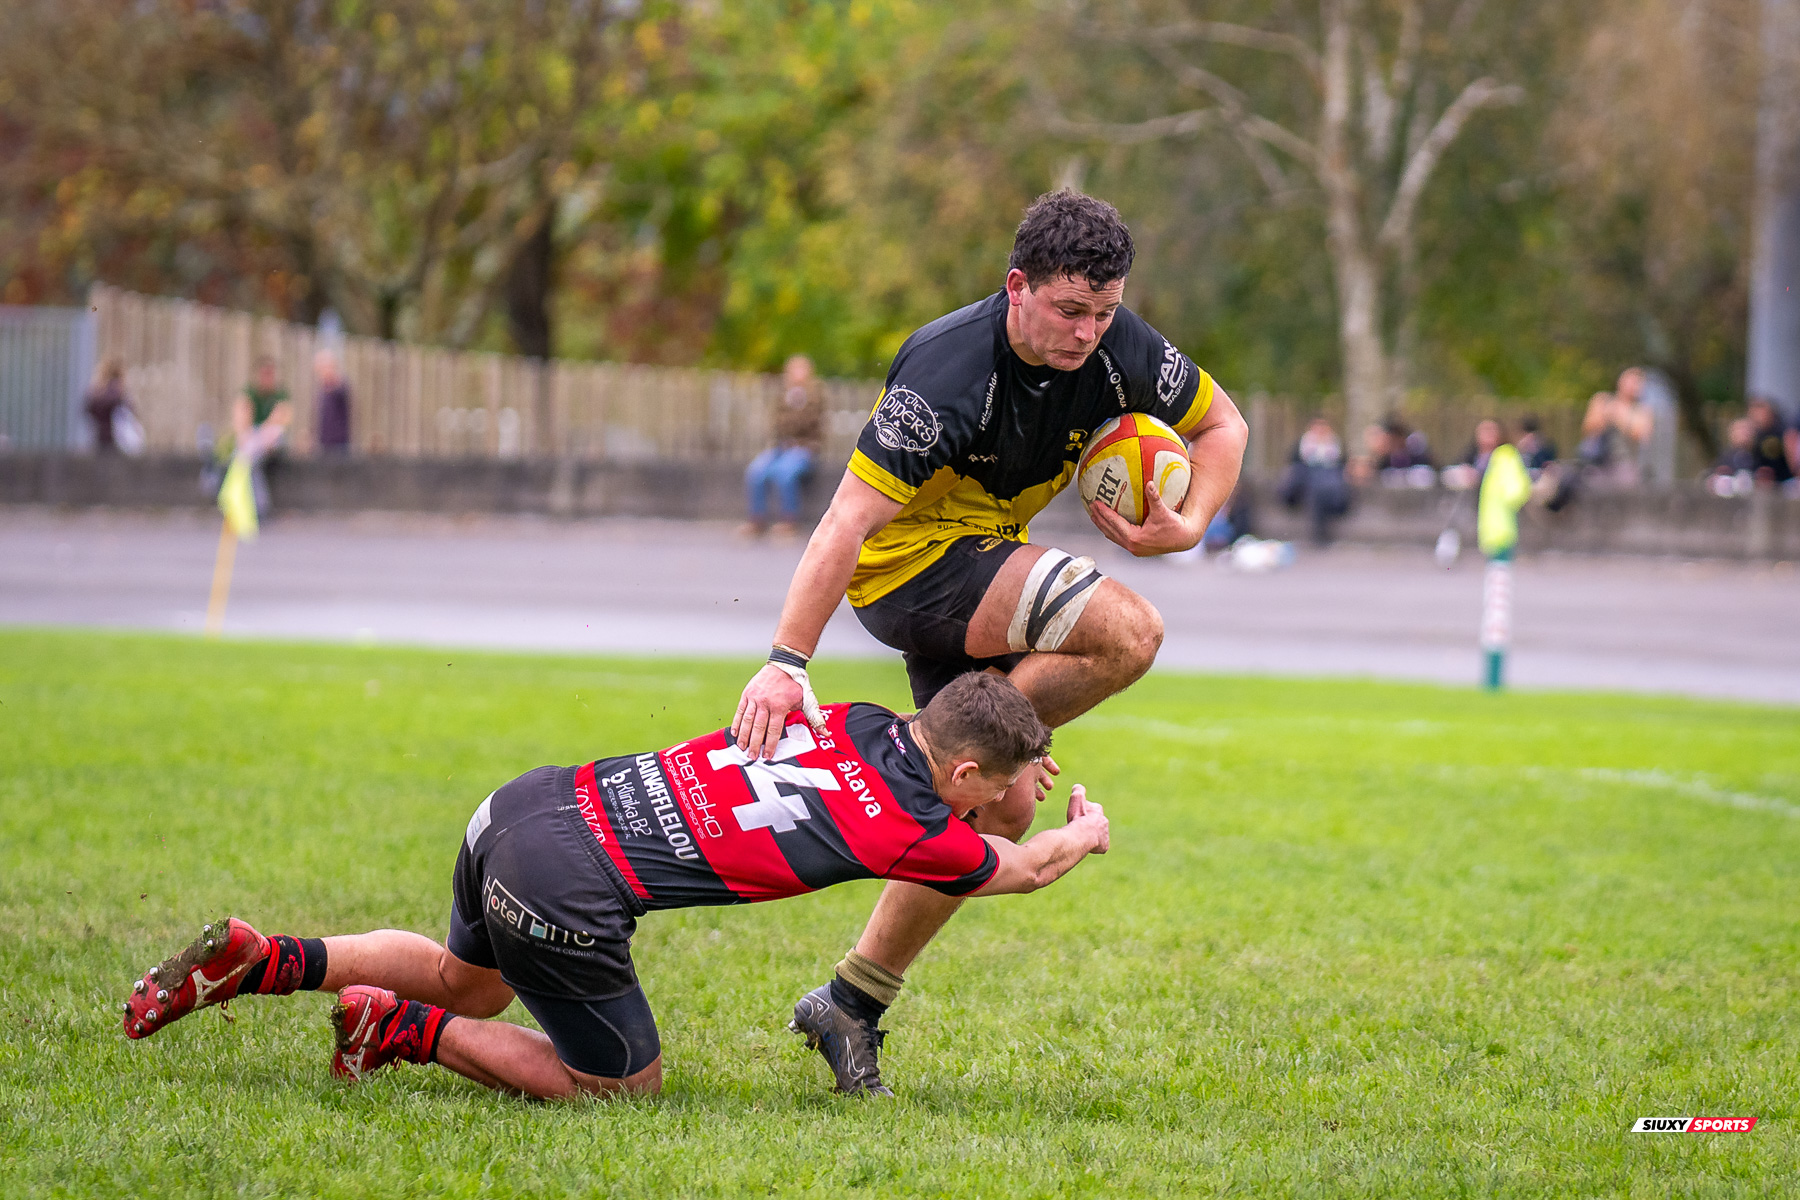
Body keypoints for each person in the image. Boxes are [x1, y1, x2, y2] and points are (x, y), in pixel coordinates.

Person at [728, 190, 1246, 1094]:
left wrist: (1192, 520)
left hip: (985, 564)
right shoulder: (948, 371)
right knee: (1130, 630)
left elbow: (1223, 424)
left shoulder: (1120, 346)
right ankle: (921, 744)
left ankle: (852, 1000)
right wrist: (785, 663)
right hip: (905, 570)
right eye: (1070, 310)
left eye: (1105, 312)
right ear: (1017, 287)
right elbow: (845, 521)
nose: (1088, 332)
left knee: (993, 805)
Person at [118, 675, 1107, 1100]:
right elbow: (1021, 868)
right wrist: (1083, 832)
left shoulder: (852, 717)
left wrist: (1011, 760)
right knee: (624, 1089)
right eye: (993, 787)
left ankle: (267, 957)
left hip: (527, 804)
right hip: (568, 888)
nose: (995, 804)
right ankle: (397, 1028)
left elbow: (956, 754)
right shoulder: (913, 830)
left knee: (472, 983)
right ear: (965, 775)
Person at [743, 355, 824, 538]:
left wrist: (792, 421)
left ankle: (789, 520)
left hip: (805, 448)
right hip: (781, 447)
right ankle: (757, 519)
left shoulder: (814, 395)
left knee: (784, 473)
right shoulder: (784, 394)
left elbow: (808, 422)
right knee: (756, 471)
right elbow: (777, 422)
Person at [234, 357, 292, 515]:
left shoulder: (280, 395)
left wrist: (259, 439)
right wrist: (246, 437)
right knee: (248, 461)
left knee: (249, 457)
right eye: (264, 374)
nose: (267, 378)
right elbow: (241, 416)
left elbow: (280, 419)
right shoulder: (250, 393)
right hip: (254, 442)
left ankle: (257, 507)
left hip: (271, 441)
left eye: (270, 374)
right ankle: (255, 505)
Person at [1278, 415, 1349, 544]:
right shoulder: (1301, 444)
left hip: (1326, 486)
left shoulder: (1335, 445)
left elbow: (1342, 466)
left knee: (1319, 491)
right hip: (1306, 482)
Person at [1577, 368, 1653, 486]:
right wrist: (1603, 414)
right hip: (1597, 461)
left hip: (1624, 464)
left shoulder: (1642, 411)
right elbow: (1588, 428)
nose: (1632, 386)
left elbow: (1641, 436)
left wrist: (1619, 416)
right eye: (1630, 381)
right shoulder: (1603, 400)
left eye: (1637, 383)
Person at [83, 359, 136, 453]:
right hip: (115, 440)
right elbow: (130, 411)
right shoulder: (117, 392)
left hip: (99, 437)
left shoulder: (96, 392)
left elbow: (88, 409)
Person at [1745, 396, 1794, 487]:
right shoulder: (1757, 435)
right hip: (1762, 484)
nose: (1756, 417)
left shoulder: (1783, 431)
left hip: (1784, 483)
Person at [314, 350, 352, 455]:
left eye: (324, 367)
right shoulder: (322, 389)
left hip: (339, 446)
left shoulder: (341, 385)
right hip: (324, 444)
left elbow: (340, 390)